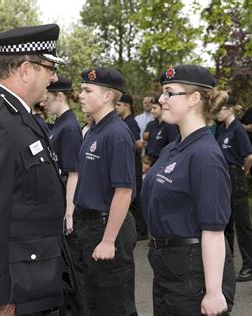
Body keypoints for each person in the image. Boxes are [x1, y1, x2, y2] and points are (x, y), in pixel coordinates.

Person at [0, 24, 73, 316]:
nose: (54, 76)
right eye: (49, 67)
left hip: (32, 279)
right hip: (11, 292)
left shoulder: (19, 116)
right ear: (25, 69)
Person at [141, 64, 235, 315]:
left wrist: (214, 293)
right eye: (162, 92)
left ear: (194, 98)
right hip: (166, 264)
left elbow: (214, 229)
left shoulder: (205, 154)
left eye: (170, 92)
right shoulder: (174, 147)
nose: (162, 99)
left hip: (192, 269)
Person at [74, 67, 137, 315]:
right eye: (81, 89)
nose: (80, 95)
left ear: (108, 96)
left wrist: (108, 240)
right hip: (88, 226)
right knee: (93, 302)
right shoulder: (94, 130)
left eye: (88, 90)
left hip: (107, 228)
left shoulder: (117, 133)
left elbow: (123, 192)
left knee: (114, 304)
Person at [43, 75, 86, 315]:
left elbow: (74, 173)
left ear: (60, 96)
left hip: (64, 202)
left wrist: (69, 212)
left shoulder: (69, 126)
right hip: (57, 199)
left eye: (48, 97)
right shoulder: (59, 124)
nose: (44, 102)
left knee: (71, 273)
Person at [216, 93, 252, 282]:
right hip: (223, 176)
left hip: (235, 175)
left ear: (231, 109)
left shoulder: (237, 129)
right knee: (226, 222)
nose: (217, 113)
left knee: (242, 224)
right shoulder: (222, 129)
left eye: (221, 109)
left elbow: (250, 155)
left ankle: (250, 265)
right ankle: (226, 260)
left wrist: (243, 171)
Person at [115, 94, 148, 241]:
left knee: (135, 199)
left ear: (127, 106)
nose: (116, 107)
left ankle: (141, 230)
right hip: (129, 161)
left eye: (119, 105)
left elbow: (138, 144)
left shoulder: (131, 122)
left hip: (133, 163)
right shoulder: (123, 121)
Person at [143, 96, 179, 166]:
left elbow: (174, 146)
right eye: (151, 108)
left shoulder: (170, 125)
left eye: (154, 108)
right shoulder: (152, 125)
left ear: (163, 109)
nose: (152, 111)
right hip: (151, 163)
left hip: (163, 163)